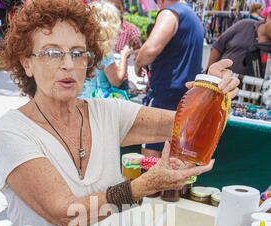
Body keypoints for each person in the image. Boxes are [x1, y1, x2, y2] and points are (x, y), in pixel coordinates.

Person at [0, 0, 239, 226]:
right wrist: (145, 186)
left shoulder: (106, 113)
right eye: (52, 52)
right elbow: (68, 215)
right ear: (26, 63)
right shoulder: (12, 130)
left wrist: (212, 87)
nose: (68, 64)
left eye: (78, 53)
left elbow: (189, 122)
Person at [134, 0, 204, 157]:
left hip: (164, 99)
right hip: (186, 99)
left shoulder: (171, 13)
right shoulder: (194, 17)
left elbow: (151, 48)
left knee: (150, 159)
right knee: (175, 161)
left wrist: (139, 62)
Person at [80, 0, 131, 98]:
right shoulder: (103, 50)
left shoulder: (84, 45)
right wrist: (124, 56)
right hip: (98, 102)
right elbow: (116, 80)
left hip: (83, 97)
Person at [207, 12, 271, 76]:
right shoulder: (245, 25)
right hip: (218, 79)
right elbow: (218, 46)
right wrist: (208, 72)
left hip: (246, 84)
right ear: (269, 17)